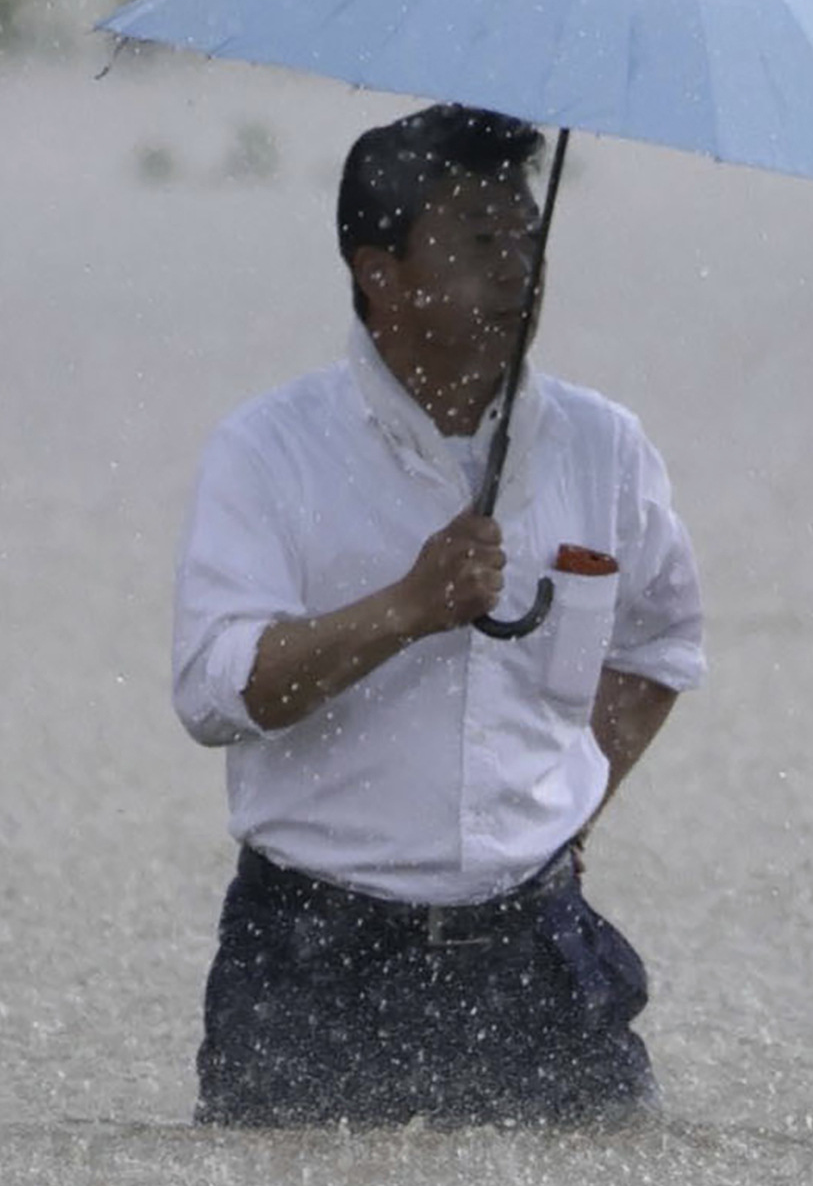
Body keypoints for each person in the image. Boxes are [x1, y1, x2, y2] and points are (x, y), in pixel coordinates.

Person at [170, 103, 705, 1125]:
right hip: (311, 961)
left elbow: (658, 644)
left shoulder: (604, 447)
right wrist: (403, 610)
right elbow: (210, 690)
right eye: (475, 239)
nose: (515, 268)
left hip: (534, 954)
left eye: (525, 234)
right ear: (379, 270)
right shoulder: (267, 450)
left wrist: (570, 803)